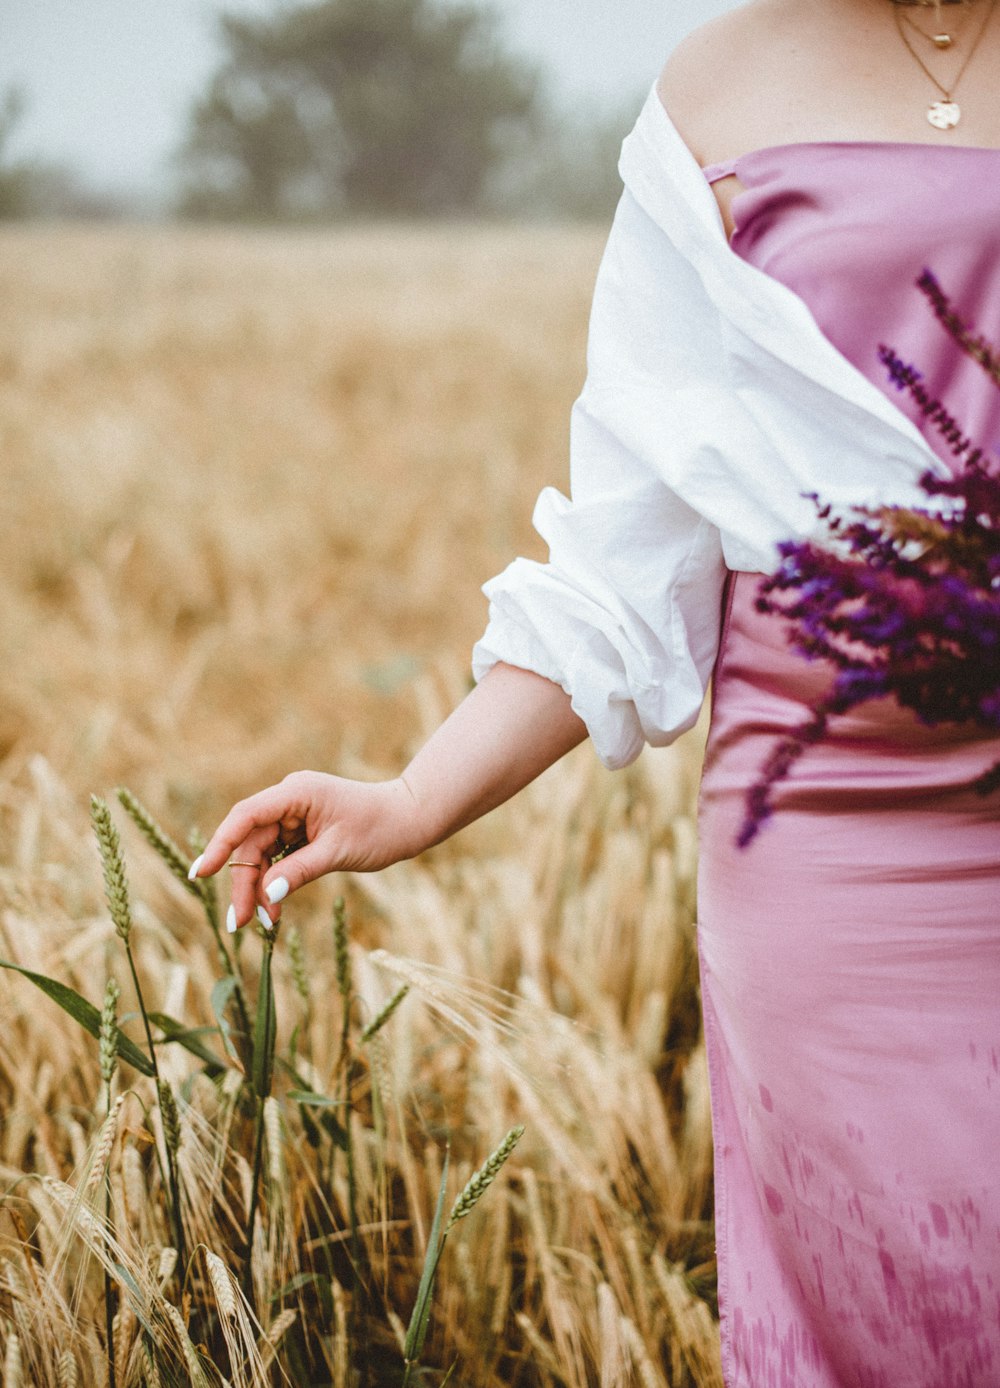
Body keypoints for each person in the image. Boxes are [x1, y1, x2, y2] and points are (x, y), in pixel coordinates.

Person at [190, 0, 1000, 1381]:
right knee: (889, 1317)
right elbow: (630, 557)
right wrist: (410, 800)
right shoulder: (717, 86)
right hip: (829, 852)